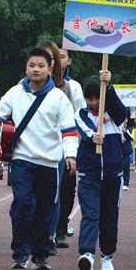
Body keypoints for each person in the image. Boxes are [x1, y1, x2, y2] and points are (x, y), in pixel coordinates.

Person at [0, 47, 78, 270]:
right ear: (26, 68)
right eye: (31, 65)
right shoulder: (14, 93)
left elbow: (69, 130)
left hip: (49, 163)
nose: (35, 70)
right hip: (21, 160)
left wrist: (70, 154)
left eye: (40, 66)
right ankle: (20, 253)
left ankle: (40, 254)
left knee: (44, 210)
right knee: (23, 204)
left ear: (50, 69)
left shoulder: (59, 97)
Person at [74, 72, 128, 270]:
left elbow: (122, 114)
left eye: (98, 97)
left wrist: (109, 86)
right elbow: (84, 130)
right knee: (90, 214)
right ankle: (87, 254)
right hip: (89, 175)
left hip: (114, 175)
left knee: (109, 218)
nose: (94, 102)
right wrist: (93, 136)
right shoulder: (81, 114)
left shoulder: (114, 114)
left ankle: (107, 258)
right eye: (90, 98)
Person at [54, 44, 86, 248]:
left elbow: (81, 116)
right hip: (44, 148)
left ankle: (60, 227)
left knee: (66, 189)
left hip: (67, 147)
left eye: (62, 56)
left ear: (69, 60)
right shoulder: (33, 85)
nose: (58, 60)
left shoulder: (73, 87)